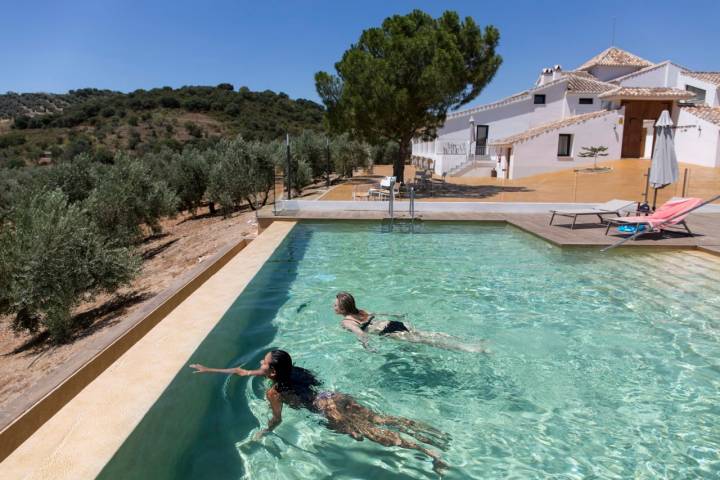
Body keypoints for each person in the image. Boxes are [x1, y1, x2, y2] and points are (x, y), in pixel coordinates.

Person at [190, 350, 448, 472]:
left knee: (371, 432)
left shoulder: (274, 392)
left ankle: (430, 452)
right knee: (381, 418)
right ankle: (428, 433)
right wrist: (210, 370)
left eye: (264, 362)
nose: (260, 363)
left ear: (272, 371)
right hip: (336, 397)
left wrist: (264, 431)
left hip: (327, 411)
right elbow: (242, 371)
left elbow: (277, 419)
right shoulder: (295, 370)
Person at [334, 292, 486, 353]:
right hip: (394, 324)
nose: (333, 307)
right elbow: (379, 314)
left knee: (426, 341)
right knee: (428, 334)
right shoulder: (361, 310)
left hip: (388, 332)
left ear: (342, 308)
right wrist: (397, 315)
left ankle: (467, 347)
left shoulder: (346, 322)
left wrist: (368, 348)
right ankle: (465, 340)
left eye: (335, 305)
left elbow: (361, 334)